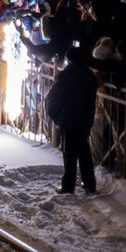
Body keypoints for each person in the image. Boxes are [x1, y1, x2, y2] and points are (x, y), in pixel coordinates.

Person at [47, 38, 107, 195]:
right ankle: (89, 184)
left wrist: (56, 116)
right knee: (84, 151)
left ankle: (68, 185)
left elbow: (55, 97)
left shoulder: (65, 76)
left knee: (69, 153)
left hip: (68, 118)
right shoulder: (89, 76)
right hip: (85, 118)